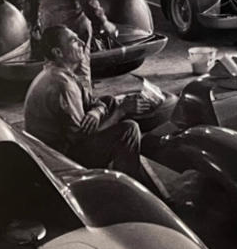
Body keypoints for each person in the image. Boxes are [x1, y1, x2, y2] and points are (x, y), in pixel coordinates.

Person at [24, 26, 158, 187]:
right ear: (58, 52)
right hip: (60, 159)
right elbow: (80, 137)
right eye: (73, 40)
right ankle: (128, 189)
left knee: (109, 101)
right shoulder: (62, 85)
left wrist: (97, 111)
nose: (82, 42)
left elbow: (95, 102)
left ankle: (127, 171)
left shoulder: (61, 72)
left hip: (62, 143)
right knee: (129, 130)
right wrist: (121, 112)